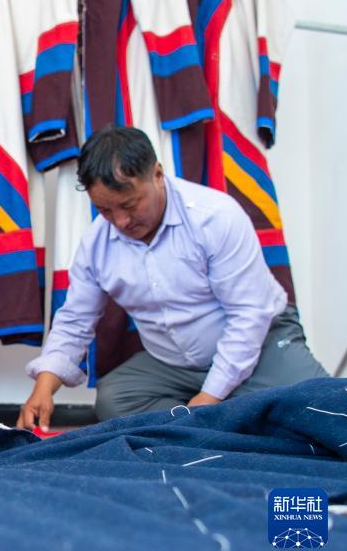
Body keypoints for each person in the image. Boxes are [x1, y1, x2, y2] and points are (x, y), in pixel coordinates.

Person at [17, 127, 327, 429]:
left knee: (323, 405)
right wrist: (44, 386)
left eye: (129, 204)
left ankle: (217, 417)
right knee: (115, 400)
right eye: (105, 210)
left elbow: (249, 314)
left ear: (157, 174)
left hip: (261, 342)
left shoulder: (214, 217)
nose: (120, 221)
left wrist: (209, 397)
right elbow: (75, 320)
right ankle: (232, 420)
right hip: (175, 364)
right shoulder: (96, 244)